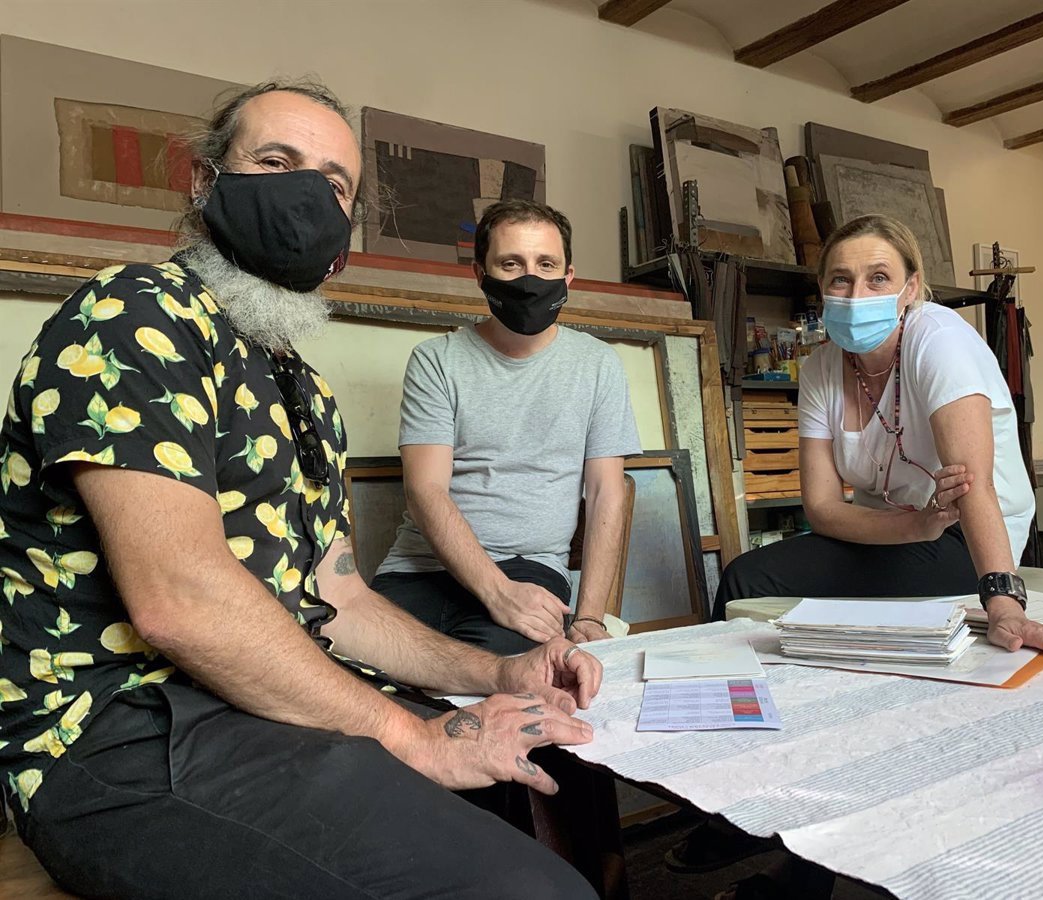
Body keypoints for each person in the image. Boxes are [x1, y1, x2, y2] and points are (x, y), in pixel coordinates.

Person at [0, 79, 602, 900]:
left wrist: (497, 674)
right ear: (205, 181)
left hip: (257, 706)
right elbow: (180, 602)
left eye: (334, 184)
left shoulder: (302, 388)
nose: (306, 196)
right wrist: (417, 739)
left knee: (530, 774)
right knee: (530, 893)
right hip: (120, 732)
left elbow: (340, 600)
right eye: (276, 162)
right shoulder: (135, 314)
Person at [678, 215, 1043, 897]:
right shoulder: (822, 367)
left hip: (971, 537)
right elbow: (823, 507)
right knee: (746, 579)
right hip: (891, 530)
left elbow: (973, 486)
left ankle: (779, 837)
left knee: (813, 610)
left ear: (911, 287)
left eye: (878, 277)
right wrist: (911, 527)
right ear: (822, 291)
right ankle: (731, 786)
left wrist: (1004, 599)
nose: (858, 294)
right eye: (841, 279)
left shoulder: (940, 340)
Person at [370, 199, 642, 655]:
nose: (529, 279)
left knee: (508, 682)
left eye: (545, 264)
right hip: (418, 568)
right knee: (355, 676)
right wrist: (496, 592)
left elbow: (605, 494)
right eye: (511, 264)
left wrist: (589, 617)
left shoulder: (598, 365)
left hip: (529, 568)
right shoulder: (436, 361)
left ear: (568, 277)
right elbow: (425, 490)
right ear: (480, 274)